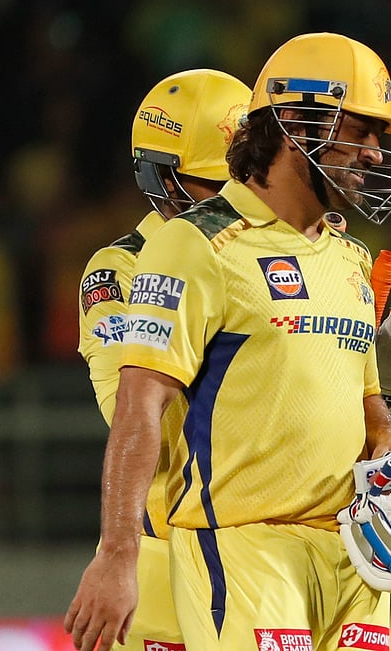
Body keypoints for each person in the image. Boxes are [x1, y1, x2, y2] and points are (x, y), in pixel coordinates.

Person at [65, 32, 391, 651]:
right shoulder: (166, 256)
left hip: (345, 549)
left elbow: (354, 403)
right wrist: (116, 553)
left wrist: (382, 423)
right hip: (203, 542)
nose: (377, 154)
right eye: (363, 132)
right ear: (294, 124)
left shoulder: (348, 256)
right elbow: (138, 414)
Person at [73, 67, 251, 651]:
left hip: (264, 564)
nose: (232, 204)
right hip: (165, 566)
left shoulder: (281, 263)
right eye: (213, 186)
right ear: (162, 181)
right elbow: (129, 406)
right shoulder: (119, 270)